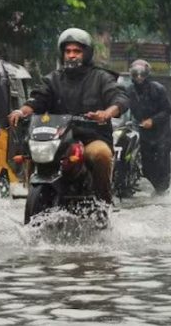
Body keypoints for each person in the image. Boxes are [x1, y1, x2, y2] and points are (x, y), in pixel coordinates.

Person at [7, 27, 129, 204]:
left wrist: (106, 113)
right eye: (68, 51)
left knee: (101, 154)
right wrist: (21, 111)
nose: (72, 55)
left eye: (77, 51)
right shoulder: (53, 79)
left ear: (86, 54)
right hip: (58, 140)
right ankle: (32, 193)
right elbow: (37, 100)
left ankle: (104, 202)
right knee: (33, 151)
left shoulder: (101, 77)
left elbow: (120, 97)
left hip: (91, 138)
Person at [126, 59, 171, 194]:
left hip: (161, 133)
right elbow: (122, 106)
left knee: (162, 163)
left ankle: (163, 191)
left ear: (147, 74)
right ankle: (156, 188)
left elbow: (167, 111)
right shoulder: (129, 91)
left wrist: (153, 120)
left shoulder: (158, 89)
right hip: (143, 132)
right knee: (147, 165)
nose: (139, 78)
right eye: (136, 74)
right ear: (132, 75)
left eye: (142, 74)